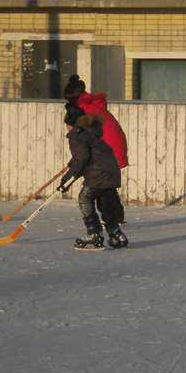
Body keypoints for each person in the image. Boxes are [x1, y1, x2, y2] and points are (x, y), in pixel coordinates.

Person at [63, 74, 130, 247]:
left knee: (91, 195)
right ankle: (116, 231)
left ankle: (95, 233)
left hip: (108, 152)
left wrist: (71, 175)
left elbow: (83, 153)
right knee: (105, 192)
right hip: (110, 154)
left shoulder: (84, 111)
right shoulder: (92, 105)